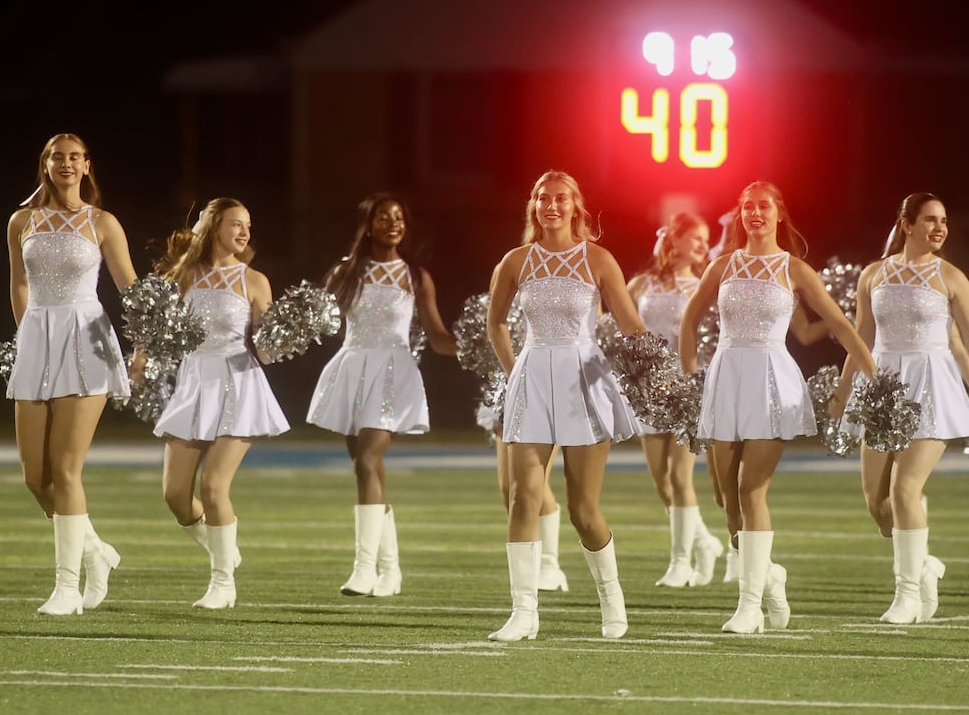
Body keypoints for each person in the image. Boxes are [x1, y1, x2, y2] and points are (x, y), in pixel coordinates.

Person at [678, 180, 879, 634]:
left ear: (778, 214)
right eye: (747, 206)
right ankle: (769, 576)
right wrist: (690, 378)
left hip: (771, 381)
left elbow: (842, 326)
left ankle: (749, 607)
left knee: (751, 491)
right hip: (726, 378)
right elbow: (690, 320)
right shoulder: (723, 265)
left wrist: (873, 376)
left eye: (763, 206)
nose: (754, 213)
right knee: (725, 500)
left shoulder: (794, 269)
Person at [830, 193, 969, 624]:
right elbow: (860, 339)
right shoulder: (873, 275)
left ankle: (907, 594)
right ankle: (925, 565)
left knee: (905, 489)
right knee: (878, 507)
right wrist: (842, 395)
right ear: (907, 224)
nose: (939, 228)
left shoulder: (951, 276)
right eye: (930, 220)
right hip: (882, 388)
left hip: (931, 385)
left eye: (944, 221)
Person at [486, 170, 650, 641]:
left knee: (583, 510)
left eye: (560, 199)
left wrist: (653, 374)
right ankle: (524, 614)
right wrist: (515, 368)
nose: (551, 205)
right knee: (524, 499)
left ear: (576, 207)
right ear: (533, 206)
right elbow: (495, 323)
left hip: (585, 381)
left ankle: (612, 602)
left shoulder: (598, 259)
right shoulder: (515, 262)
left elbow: (630, 324)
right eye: (542, 198)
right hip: (533, 377)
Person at [6, 132, 140, 615]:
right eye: (57, 157)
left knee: (65, 469)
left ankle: (67, 588)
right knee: (34, 476)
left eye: (75, 157)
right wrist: (27, 336)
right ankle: (95, 552)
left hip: (87, 339)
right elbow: (19, 283)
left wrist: (142, 346)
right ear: (45, 164)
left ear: (87, 166)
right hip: (38, 338)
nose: (66, 163)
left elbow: (131, 288)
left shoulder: (102, 221)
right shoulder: (21, 220)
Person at [307, 193, 457, 597]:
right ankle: (391, 572)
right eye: (383, 217)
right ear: (368, 224)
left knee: (368, 459)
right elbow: (317, 318)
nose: (393, 223)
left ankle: (363, 569)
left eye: (398, 217)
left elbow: (439, 336)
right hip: (353, 367)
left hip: (393, 372)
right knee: (366, 467)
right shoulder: (345, 272)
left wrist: (476, 345)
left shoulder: (415, 276)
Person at [151, 198, 290, 609]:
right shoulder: (183, 275)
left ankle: (222, 583)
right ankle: (224, 548)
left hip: (239, 384)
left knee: (213, 487)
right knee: (176, 495)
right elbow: (158, 329)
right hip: (194, 382)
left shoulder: (255, 280)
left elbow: (265, 350)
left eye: (248, 225)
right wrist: (141, 361)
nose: (245, 232)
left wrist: (283, 337)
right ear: (213, 228)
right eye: (236, 224)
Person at [625, 211, 725, 587]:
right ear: (675, 239)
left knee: (679, 476)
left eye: (706, 239)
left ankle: (680, 561)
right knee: (661, 483)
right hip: (651, 388)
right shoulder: (641, 283)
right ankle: (705, 542)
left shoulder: (705, 285)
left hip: (689, 386)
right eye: (696, 237)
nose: (703, 245)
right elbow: (624, 329)